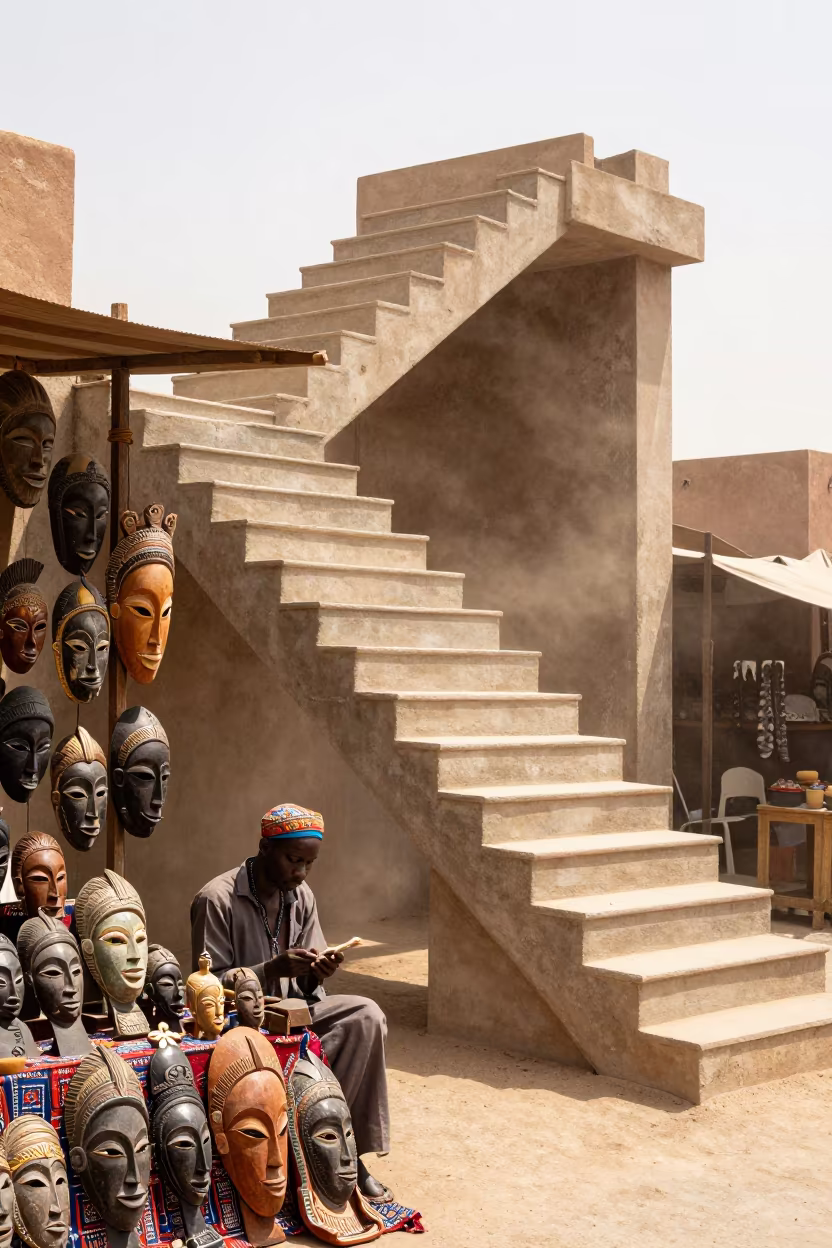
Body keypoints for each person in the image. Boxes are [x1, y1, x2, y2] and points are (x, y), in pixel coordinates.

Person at [190, 803, 392, 1201]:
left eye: (309, 864)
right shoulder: (216, 898)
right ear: (265, 848)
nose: (300, 872)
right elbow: (206, 981)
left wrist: (319, 971)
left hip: (296, 1013)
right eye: (293, 860)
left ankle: (347, 1150)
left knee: (366, 1016)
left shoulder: (301, 895)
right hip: (240, 1027)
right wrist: (269, 969)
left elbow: (310, 980)